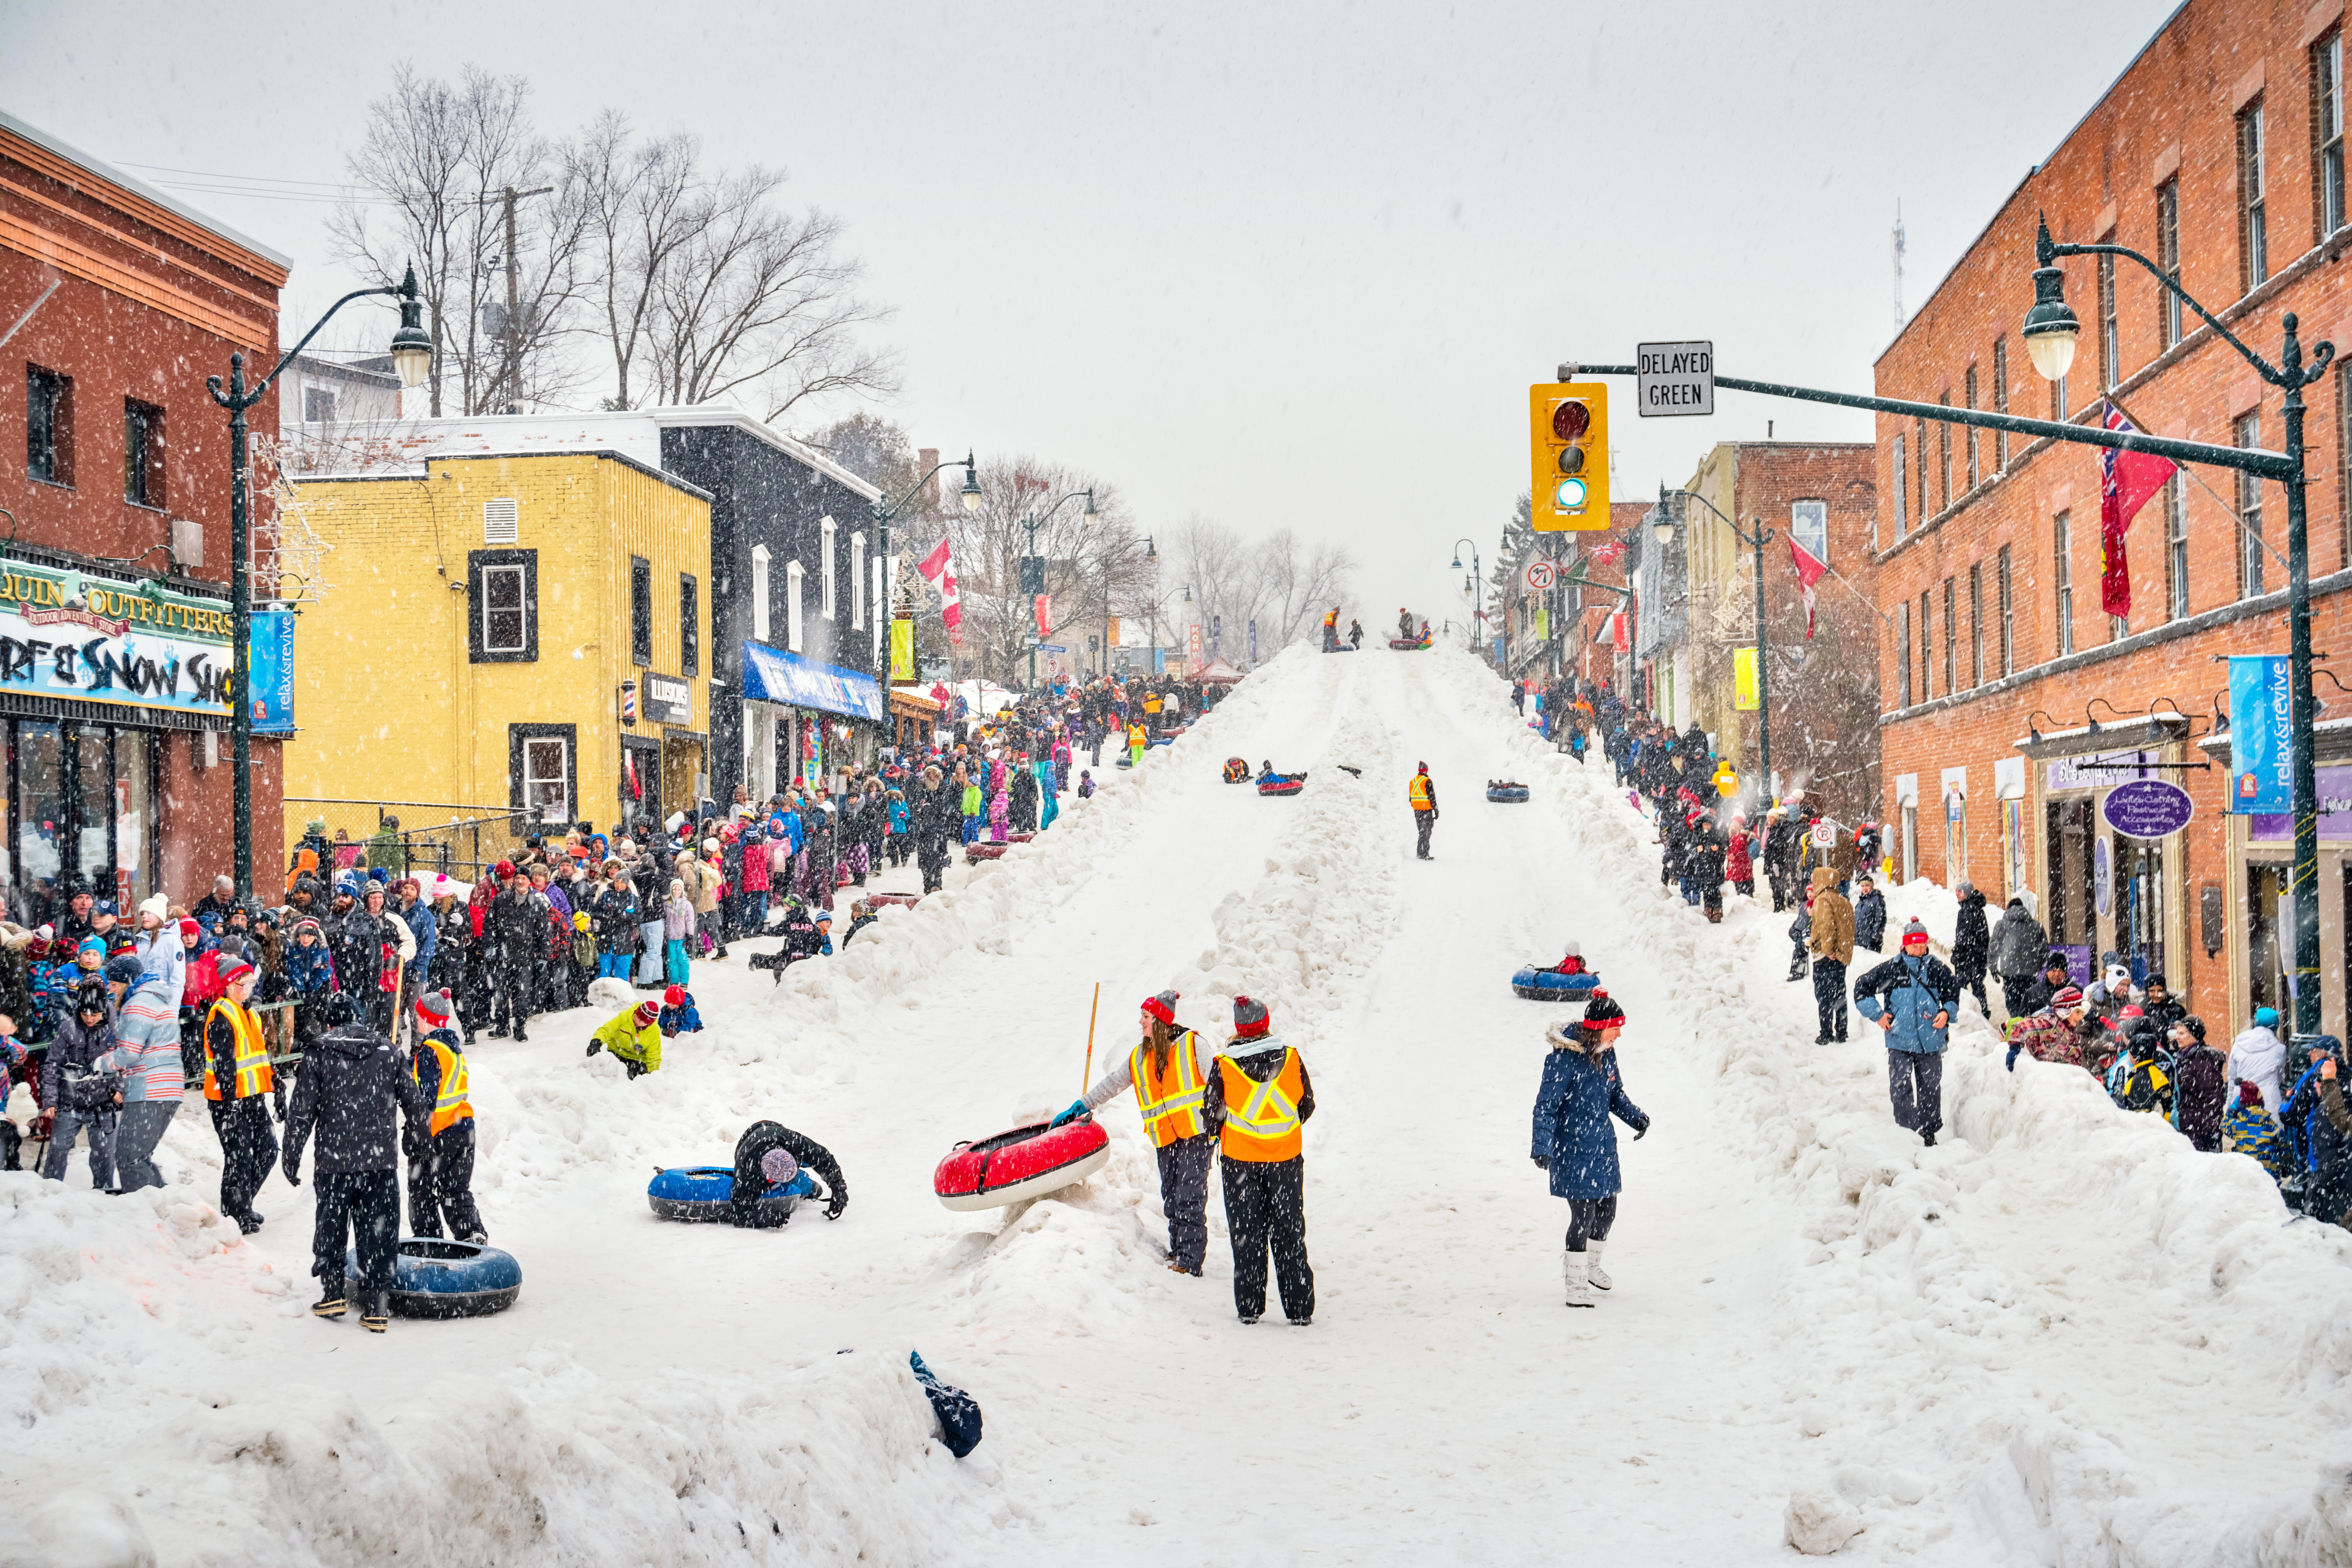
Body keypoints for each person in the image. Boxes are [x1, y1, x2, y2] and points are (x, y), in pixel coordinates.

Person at [280, 992, 432, 1332]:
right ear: (360, 1019)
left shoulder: (319, 1053)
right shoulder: (389, 1052)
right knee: (378, 1230)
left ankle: (333, 1293)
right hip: (379, 1163)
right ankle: (377, 1303)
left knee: (331, 1225)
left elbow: (301, 1112)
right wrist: (419, 1142)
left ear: (331, 1022)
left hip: (335, 1161)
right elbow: (416, 1105)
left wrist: (291, 1155)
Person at [1052, 989, 1216, 1276]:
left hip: (1196, 1135)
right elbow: (1113, 1083)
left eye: (1146, 1017)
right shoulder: (1141, 1056)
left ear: (1161, 1020)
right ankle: (1178, 1251)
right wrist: (1082, 1105)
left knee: (1190, 1196)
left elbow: (1218, 1084)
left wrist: (1219, 1124)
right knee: (1172, 1195)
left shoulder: (1193, 1045)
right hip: (1166, 1137)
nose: (1141, 1022)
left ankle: (1190, 1263)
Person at [1529, 992, 1647, 1308]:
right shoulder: (1563, 1058)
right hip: (1573, 1148)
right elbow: (1546, 1106)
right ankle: (1576, 1284)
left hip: (1602, 1147)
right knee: (1583, 1216)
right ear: (1600, 1028)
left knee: (1607, 1213)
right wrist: (1543, 1145)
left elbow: (1614, 1094)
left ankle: (1591, 1266)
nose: (1620, 1034)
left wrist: (1636, 1117)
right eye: (1616, 1028)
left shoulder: (1607, 1054)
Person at [1202, 996, 1315, 1325]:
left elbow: (1211, 1118)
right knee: (1289, 1233)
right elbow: (1305, 1106)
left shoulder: (1224, 1065)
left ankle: (1250, 1309)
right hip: (1286, 1161)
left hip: (1241, 1165)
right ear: (1265, 1023)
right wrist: (1277, 1134)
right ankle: (1299, 1310)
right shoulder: (1292, 1058)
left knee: (1247, 1234)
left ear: (1239, 1028)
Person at [1853, 920, 1959, 1146]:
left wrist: (1947, 1013)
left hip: (1930, 1040)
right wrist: (1878, 1015)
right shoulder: (1893, 968)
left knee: (1930, 1087)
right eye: (1915, 946)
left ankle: (1928, 1132)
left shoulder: (1937, 968)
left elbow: (1953, 994)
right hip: (1899, 1039)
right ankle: (1907, 1132)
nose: (1919, 950)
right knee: (1900, 1087)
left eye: (1923, 945)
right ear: (1905, 946)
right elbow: (1861, 988)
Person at [202, 954, 277, 1234]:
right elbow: (224, 1063)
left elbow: (259, 1056)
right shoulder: (222, 1015)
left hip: (253, 1097)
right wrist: (232, 1102)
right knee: (239, 1157)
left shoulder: (251, 1014)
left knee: (268, 1151)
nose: (249, 989)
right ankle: (233, 1213)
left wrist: (277, 1088)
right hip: (228, 1100)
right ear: (230, 985)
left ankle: (242, 1204)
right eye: (243, 984)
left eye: (251, 983)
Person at [405, 989, 486, 1244]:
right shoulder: (452, 1049)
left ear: (427, 1020)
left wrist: (415, 1133)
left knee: (422, 1192)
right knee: (456, 1189)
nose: (415, 1021)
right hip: (463, 1129)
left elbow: (426, 1099)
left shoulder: (429, 1050)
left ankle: (429, 1243)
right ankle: (472, 1233)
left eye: (418, 1016)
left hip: (437, 1132)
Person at [110, 954, 182, 1192]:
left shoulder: (138, 1003)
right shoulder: (156, 1000)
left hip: (149, 1089)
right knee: (140, 1157)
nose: (111, 990)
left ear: (126, 982)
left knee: (130, 1158)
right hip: (166, 1088)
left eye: (114, 984)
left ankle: (150, 1218)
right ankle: (166, 1205)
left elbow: (129, 1053)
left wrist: (101, 1064)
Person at [41, 980, 121, 1187]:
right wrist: (50, 1101)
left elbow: (125, 1063)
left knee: (105, 1156)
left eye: (94, 1015)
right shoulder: (68, 1027)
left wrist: (119, 1090)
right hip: (70, 1102)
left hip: (104, 1104)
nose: (89, 1019)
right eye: (85, 1014)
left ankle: (104, 1193)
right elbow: (51, 1064)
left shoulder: (114, 1029)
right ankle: (49, 1191)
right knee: (57, 1151)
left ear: (103, 1011)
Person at [2280, 1037, 2352, 1228]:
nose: (2309, 1054)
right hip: (2344, 1172)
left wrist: (2284, 1107)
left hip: (2320, 1161)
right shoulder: (2349, 1075)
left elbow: (2291, 1114)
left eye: (2313, 1050)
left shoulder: (2314, 1077)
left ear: (2323, 1053)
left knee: (2328, 1223)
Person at [726, 1120, 849, 1228]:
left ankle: (801, 1175)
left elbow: (824, 1158)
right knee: (770, 1192)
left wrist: (838, 1188)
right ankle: (793, 1181)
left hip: (775, 1131)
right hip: (748, 1145)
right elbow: (739, 1214)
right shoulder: (747, 1170)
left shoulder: (795, 1143)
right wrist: (763, 1218)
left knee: (813, 1184)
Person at [1805, 867, 1854, 1044]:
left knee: (1824, 996)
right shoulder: (1843, 901)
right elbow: (1848, 930)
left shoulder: (1822, 900)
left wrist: (1828, 950)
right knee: (1839, 994)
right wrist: (1840, 952)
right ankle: (1842, 1032)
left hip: (1826, 956)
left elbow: (1827, 927)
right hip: (1841, 956)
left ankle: (1826, 1034)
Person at [2170, 1017, 2229, 1152]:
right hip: (2185, 1125)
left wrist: (2210, 1131)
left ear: (2194, 1036)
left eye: (2182, 1034)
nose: (2177, 1037)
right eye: (2177, 1033)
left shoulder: (2204, 1061)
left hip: (2198, 1130)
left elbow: (2213, 1098)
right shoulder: (2181, 1057)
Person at [1989, 893, 2048, 1021]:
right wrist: (2037, 966)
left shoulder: (2002, 925)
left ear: (2008, 908)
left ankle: (2017, 1026)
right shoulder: (2036, 926)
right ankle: (2028, 1027)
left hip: (2010, 973)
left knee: (2013, 1004)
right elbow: (2044, 950)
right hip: (2030, 973)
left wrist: (1993, 968)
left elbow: (1994, 948)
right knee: (2030, 1003)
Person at [586, 998, 663, 1078]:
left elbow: (654, 1055)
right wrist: (596, 1042)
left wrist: (654, 1075)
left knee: (633, 1080)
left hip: (637, 1059)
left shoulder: (654, 1031)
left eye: (644, 1022)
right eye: (639, 1018)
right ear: (636, 1012)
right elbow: (606, 1030)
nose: (639, 1023)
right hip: (616, 1053)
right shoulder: (624, 1017)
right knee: (607, 1074)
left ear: (649, 1024)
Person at [2228, 1006, 2288, 1109]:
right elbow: (2279, 1076)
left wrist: (2229, 1101)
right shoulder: (2280, 1049)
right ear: (2275, 1027)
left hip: (2241, 1100)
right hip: (2268, 1101)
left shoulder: (2239, 1044)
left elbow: (2232, 1076)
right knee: (2268, 1125)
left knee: (2240, 1125)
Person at [1409, 762, 1439, 861]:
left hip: (1417, 810)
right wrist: (1436, 810)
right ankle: (1423, 854)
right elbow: (1432, 797)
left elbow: (1411, 798)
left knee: (1422, 832)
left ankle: (1421, 852)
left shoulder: (1413, 782)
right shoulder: (1427, 781)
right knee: (1426, 833)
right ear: (1426, 770)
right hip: (1426, 810)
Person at [1850, 875, 1886, 952]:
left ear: (1872, 887)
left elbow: (1880, 918)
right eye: (1863, 886)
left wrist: (1875, 936)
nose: (1865, 888)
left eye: (1867, 886)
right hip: (1859, 941)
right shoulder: (1861, 901)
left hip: (1871, 942)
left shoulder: (1877, 900)